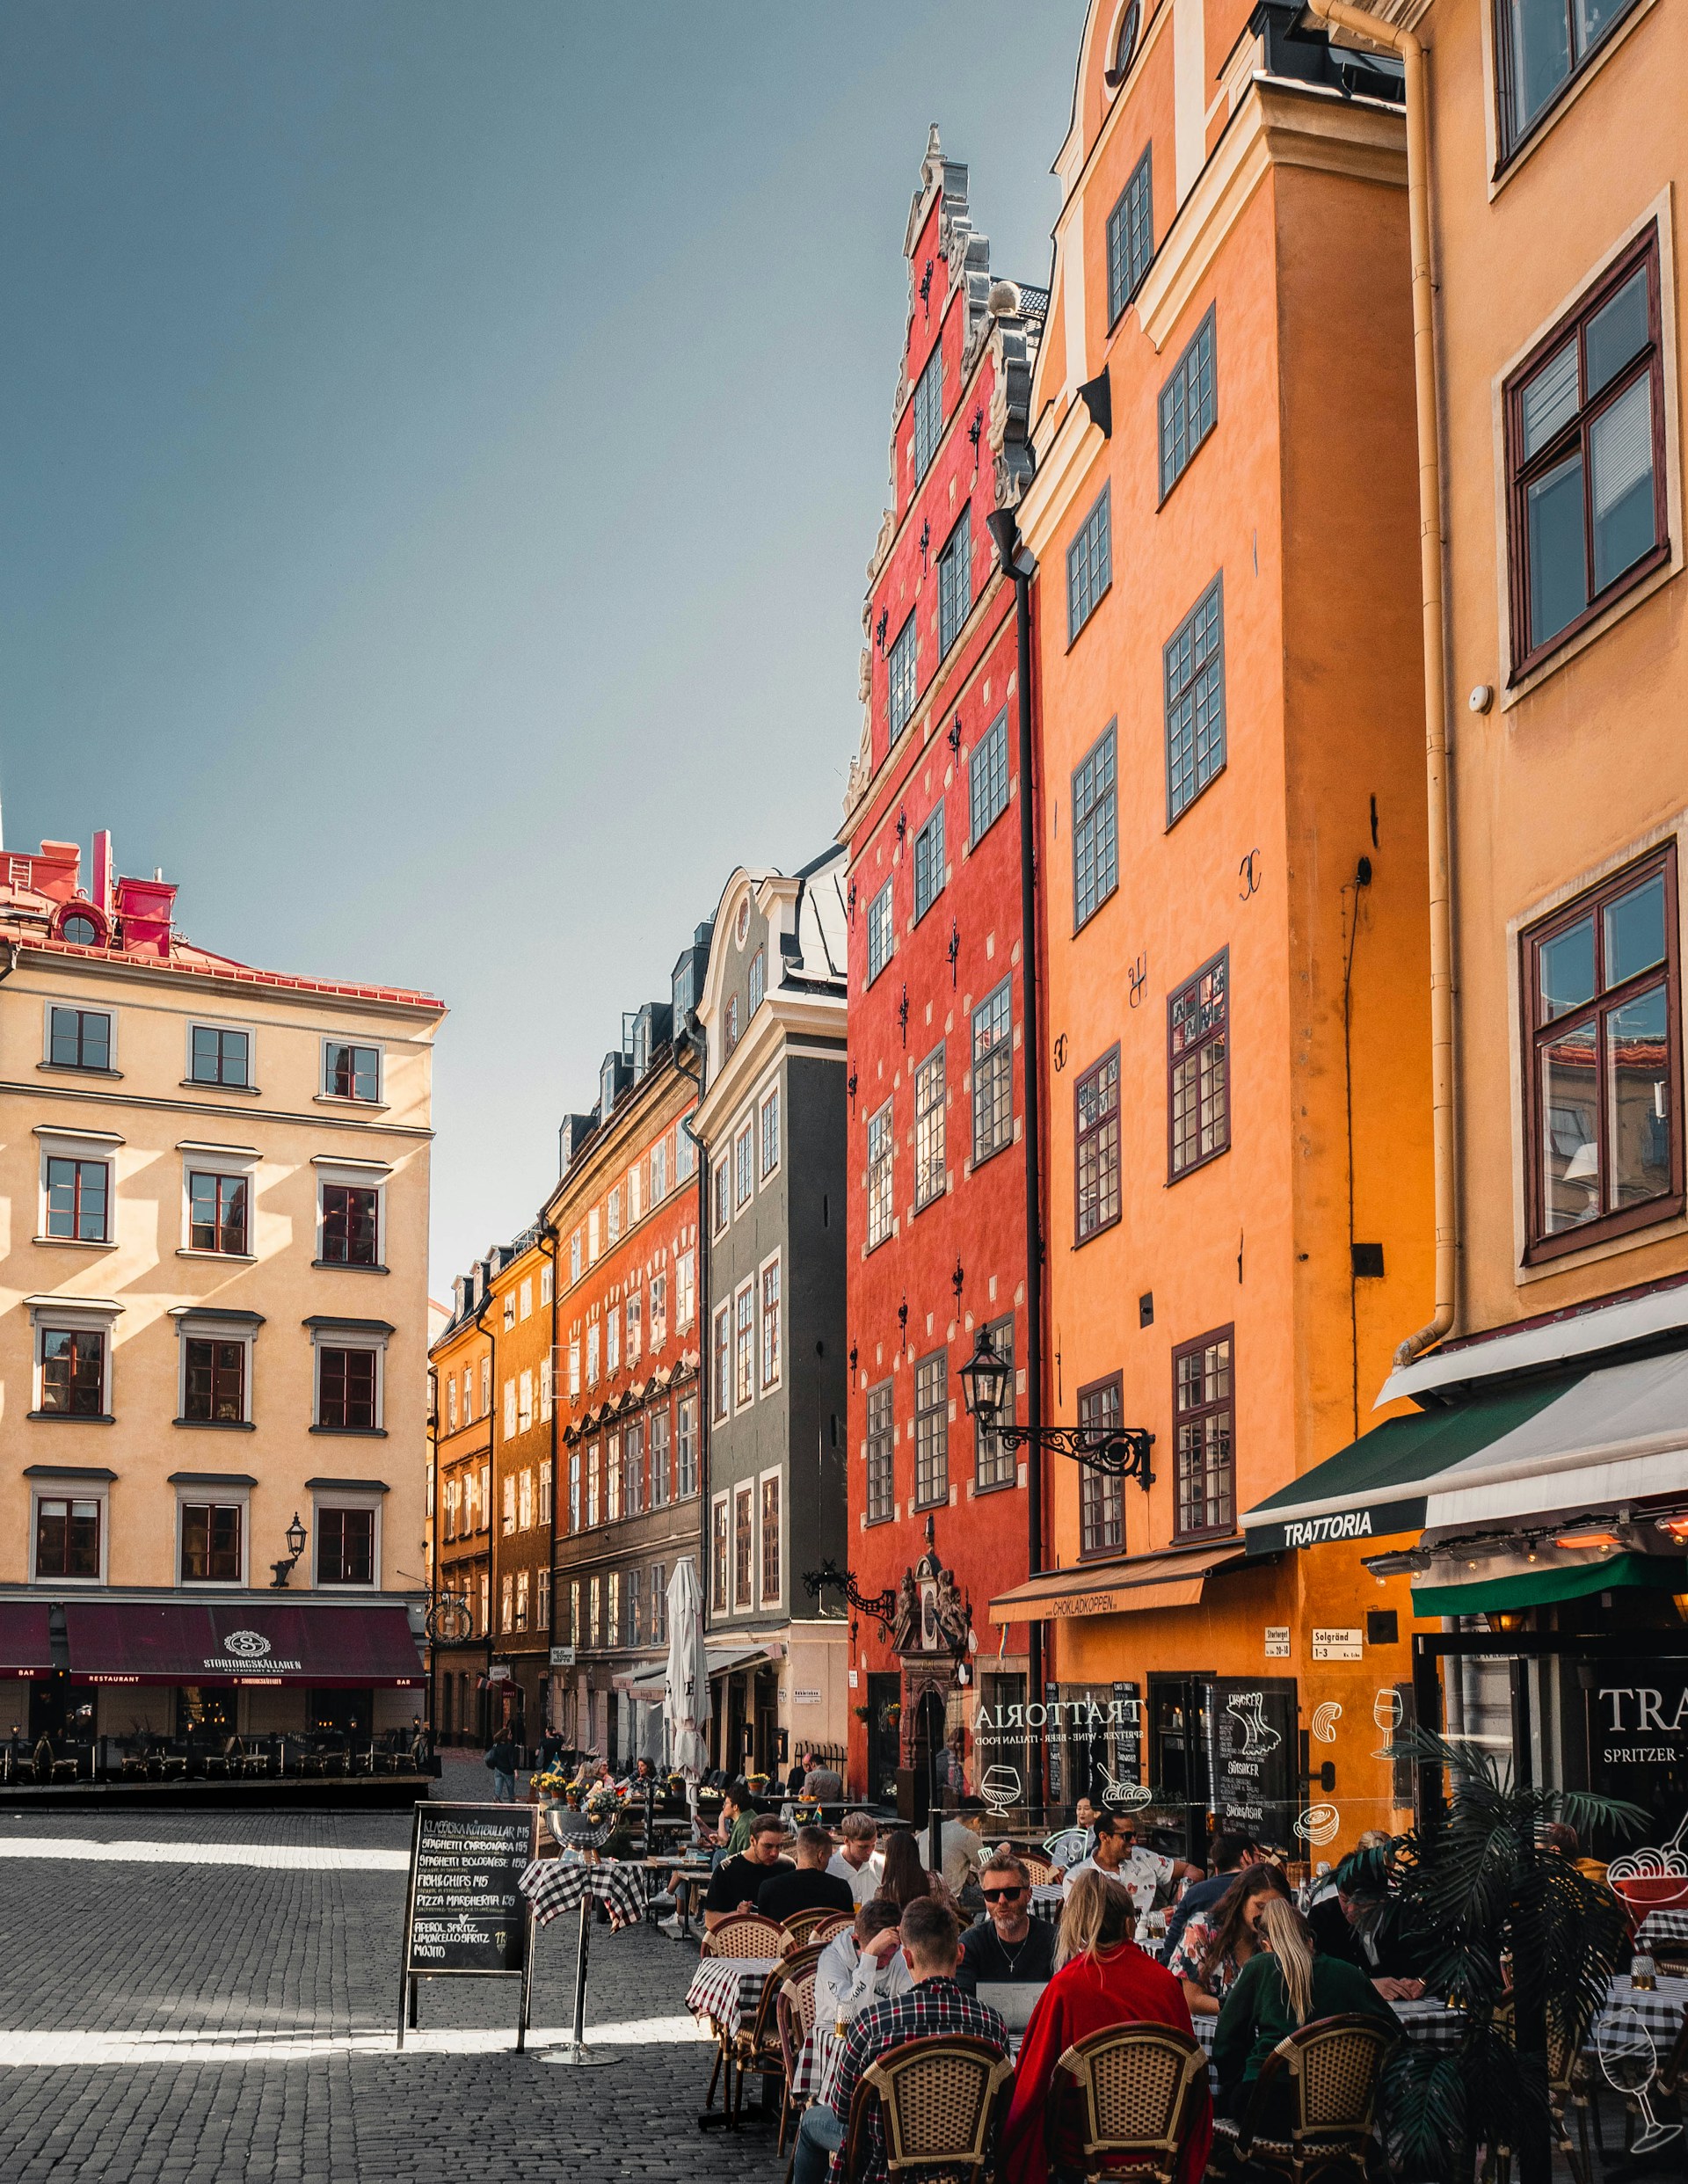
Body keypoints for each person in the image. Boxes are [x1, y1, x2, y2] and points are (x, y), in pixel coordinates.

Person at [1003, 1869, 1211, 2184]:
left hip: (1083, 2151)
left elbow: (1030, 2086)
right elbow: (1193, 2072)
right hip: (1160, 2145)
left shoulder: (1066, 1986)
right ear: (1129, 1924)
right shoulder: (1164, 1983)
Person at [791, 1896, 1008, 2184]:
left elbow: (845, 2110)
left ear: (906, 1957)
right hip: (966, 2167)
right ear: (959, 1954)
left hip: (886, 2166)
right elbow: (1001, 2108)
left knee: (810, 2122)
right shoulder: (992, 2025)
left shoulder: (873, 2024)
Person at [1211, 1896, 1400, 2132]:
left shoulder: (1260, 1968)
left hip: (1269, 2105)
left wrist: (1239, 2077)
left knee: (1220, 2104)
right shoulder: (1348, 1974)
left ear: (1267, 1946)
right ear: (1310, 1942)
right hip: (1341, 2111)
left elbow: (1226, 2042)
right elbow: (1393, 2033)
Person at [1168, 1864, 1291, 2015]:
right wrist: (1245, 2011)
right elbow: (1192, 2000)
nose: (1266, 1915)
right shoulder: (1202, 1928)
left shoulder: (1282, 1935)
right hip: (1207, 2028)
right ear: (1241, 1900)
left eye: (1276, 1909)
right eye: (1260, 1906)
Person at [1306, 1846, 1425, 2000]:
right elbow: (1315, 1975)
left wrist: (1422, 1983)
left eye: (1360, 1902)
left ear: (1381, 1898)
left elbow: (1440, 1965)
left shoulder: (1406, 1917)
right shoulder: (1323, 1918)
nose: (1350, 1909)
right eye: (1344, 1899)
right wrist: (1366, 1985)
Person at [1062, 1810, 1202, 1915]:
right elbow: (1088, 1926)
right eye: (1127, 1836)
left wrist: (1185, 1887)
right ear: (1104, 1837)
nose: (1134, 1841)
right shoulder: (1077, 1877)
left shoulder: (1142, 1857)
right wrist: (1153, 1920)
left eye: (1134, 1835)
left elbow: (1194, 1871)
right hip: (1104, 1950)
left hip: (1149, 1945)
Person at [957, 1853, 1058, 1995]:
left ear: (1029, 1894)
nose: (1002, 1900)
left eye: (1011, 1893)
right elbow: (963, 1999)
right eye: (992, 1894)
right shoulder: (971, 1945)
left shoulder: (1055, 1941)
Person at [815, 1898, 913, 2028]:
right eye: (880, 1955)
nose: (885, 1961)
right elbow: (851, 2016)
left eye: (892, 1954)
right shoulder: (830, 1960)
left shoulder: (899, 1953)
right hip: (834, 2042)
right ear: (856, 1941)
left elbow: (910, 2007)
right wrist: (869, 1958)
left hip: (884, 2038)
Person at [1161, 1831, 1259, 1959]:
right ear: (1247, 1856)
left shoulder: (1194, 1893)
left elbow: (1171, 1946)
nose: (1261, 1864)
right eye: (1259, 1858)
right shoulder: (1262, 1890)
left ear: (1217, 1868)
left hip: (1203, 1972)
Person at [703, 1812, 792, 1929]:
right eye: (768, 1846)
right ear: (752, 1841)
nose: (774, 1853)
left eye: (778, 1846)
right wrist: (736, 1915)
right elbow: (709, 1920)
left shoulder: (787, 1866)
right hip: (739, 1940)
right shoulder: (727, 1870)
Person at [758, 1824, 856, 1923]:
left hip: (785, 1938)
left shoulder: (769, 1888)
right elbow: (848, 1928)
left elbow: (765, 1931)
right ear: (820, 1856)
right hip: (827, 1938)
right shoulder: (841, 1889)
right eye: (829, 1857)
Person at [875, 1826, 951, 1912]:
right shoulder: (937, 1881)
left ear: (890, 1858)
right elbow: (950, 1909)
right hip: (935, 1925)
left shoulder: (886, 1892)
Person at [828, 1811, 885, 1904]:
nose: (869, 1851)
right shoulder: (830, 1868)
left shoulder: (882, 1865)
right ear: (847, 1841)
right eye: (863, 1847)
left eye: (873, 1845)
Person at [938, 1812, 988, 1899]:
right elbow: (988, 1865)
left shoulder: (934, 1829)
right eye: (980, 1826)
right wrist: (1000, 1850)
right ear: (976, 1821)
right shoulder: (968, 1835)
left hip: (924, 1895)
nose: (978, 1830)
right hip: (950, 1898)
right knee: (989, 1895)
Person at [484, 1731, 518, 1802]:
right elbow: (512, 1761)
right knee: (511, 1790)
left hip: (498, 1770)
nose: (512, 1735)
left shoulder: (496, 1746)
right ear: (505, 1736)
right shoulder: (509, 1747)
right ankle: (512, 1803)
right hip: (508, 1772)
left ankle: (496, 1798)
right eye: (510, 1734)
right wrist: (516, 1772)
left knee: (498, 1788)